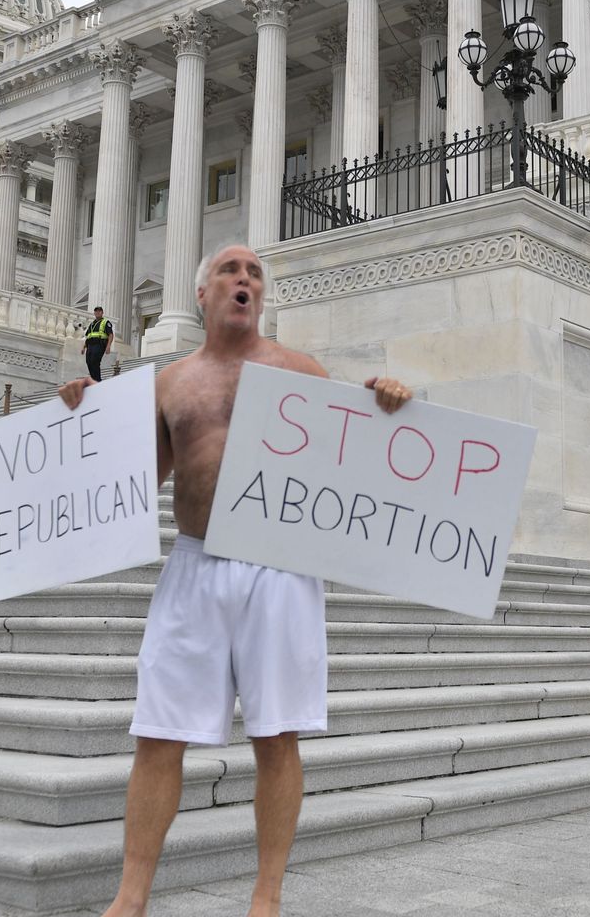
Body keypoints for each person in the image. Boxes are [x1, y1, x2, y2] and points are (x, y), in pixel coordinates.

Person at [56, 243, 412, 917]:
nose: (244, 279)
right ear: (203, 293)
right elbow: (137, 482)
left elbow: (353, 463)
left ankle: (266, 898)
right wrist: (84, 423)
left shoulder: (300, 371)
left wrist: (385, 403)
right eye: (230, 270)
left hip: (278, 567)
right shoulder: (171, 382)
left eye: (254, 273)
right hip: (194, 564)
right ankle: (130, 897)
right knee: (158, 733)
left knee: (276, 734)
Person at [82, 305, 114, 382]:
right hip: (90, 346)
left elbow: (110, 334)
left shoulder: (105, 322)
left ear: (102, 312)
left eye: (99, 311)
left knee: (94, 361)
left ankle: (97, 379)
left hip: (99, 345)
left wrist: (108, 346)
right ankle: (94, 379)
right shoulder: (92, 324)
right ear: (94, 313)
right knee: (88, 361)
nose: (97, 312)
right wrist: (84, 347)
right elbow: (88, 336)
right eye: (96, 311)